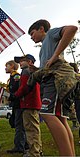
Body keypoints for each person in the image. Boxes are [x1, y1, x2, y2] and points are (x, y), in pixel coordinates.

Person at [28, 19, 78, 156]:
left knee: (46, 113)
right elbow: (47, 64)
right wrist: (37, 69)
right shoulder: (44, 45)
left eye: (32, 33)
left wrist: (55, 55)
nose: (31, 37)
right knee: (60, 118)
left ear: (41, 29)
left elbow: (72, 28)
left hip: (56, 78)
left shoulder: (50, 34)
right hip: (52, 77)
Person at [13, 54, 42, 157]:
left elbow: (24, 87)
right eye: (19, 61)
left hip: (29, 103)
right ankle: (37, 150)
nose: (20, 63)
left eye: (22, 61)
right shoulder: (33, 71)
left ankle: (34, 153)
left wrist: (15, 95)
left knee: (31, 129)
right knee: (34, 128)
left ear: (30, 62)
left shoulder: (26, 71)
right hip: (33, 103)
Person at [5, 60, 27, 154]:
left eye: (7, 66)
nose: (5, 68)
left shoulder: (16, 76)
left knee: (19, 125)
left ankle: (19, 146)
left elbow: (18, 89)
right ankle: (24, 144)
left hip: (19, 104)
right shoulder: (11, 77)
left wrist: (12, 96)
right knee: (18, 124)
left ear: (12, 66)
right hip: (15, 104)